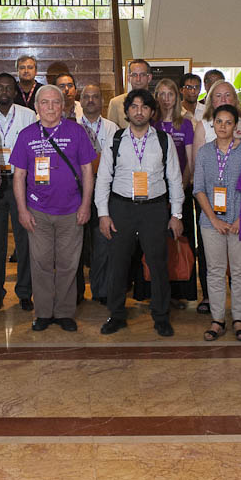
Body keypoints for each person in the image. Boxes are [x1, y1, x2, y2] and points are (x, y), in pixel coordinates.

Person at [97, 88, 184, 336]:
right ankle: (116, 314)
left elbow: (175, 179)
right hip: (121, 208)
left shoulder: (164, 141)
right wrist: (103, 214)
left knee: (157, 265)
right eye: (134, 106)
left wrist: (176, 215)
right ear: (126, 112)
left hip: (154, 209)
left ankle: (161, 316)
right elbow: (103, 179)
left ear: (152, 112)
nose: (138, 111)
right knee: (118, 264)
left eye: (144, 107)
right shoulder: (115, 140)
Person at [12, 84, 95, 331]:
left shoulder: (77, 132)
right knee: (41, 264)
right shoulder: (26, 135)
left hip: (71, 210)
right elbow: (18, 176)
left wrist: (86, 204)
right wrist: (22, 210)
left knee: (69, 264)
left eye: (55, 102)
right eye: (44, 103)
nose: (50, 107)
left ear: (63, 106)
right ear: (36, 107)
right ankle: (44, 312)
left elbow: (88, 171)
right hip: (37, 211)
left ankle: (65, 312)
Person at [193, 104, 241, 341]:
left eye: (229, 122)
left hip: (240, 221)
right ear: (213, 124)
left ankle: (238, 318)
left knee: (239, 271)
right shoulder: (205, 152)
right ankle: (217, 319)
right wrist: (214, 219)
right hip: (211, 223)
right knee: (215, 272)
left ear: (236, 126)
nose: (223, 127)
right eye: (219, 122)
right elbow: (198, 189)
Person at [0, 72, 37, 311]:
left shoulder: (28, 115)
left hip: (20, 181)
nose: (4, 91)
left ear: (15, 92)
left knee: (25, 240)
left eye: (8, 88)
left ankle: (24, 292)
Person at [152, 78, 197, 304]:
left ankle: (180, 292)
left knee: (181, 239)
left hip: (180, 191)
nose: (166, 99)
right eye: (162, 94)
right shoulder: (152, 124)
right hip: (156, 194)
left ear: (176, 97)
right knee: (157, 242)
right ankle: (158, 291)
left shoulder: (185, 124)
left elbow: (190, 160)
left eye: (170, 94)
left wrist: (181, 187)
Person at [76, 83, 116, 303]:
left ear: (102, 101)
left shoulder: (113, 128)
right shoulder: (72, 128)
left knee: (103, 242)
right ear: (80, 102)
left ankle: (101, 290)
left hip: (105, 190)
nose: (91, 100)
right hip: (77, 191)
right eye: (86, 97)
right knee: (77, 244)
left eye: (95, 97)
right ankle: (77, 291)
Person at [108, 59, 153, 127]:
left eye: (142, 75)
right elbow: (111, 131)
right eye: (134, 75)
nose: (138, 79)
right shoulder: (115, 103)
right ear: (128, 78)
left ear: (149, 78)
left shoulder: (158, 102)